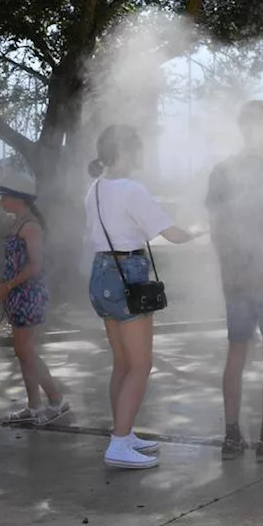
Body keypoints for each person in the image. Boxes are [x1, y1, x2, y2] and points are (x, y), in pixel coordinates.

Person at [87, 125, 201, 469]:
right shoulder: (132, 190)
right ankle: (119, 445)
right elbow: (173, 234)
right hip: (128, 275)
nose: (142, 156)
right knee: (141, 365)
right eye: (138, 149)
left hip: (102, 273)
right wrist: (200, 229)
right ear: (125, 152)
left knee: (122, 363)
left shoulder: (93, 188)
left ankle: (122, 431)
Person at [206, 100, 263, 462]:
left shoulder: (221, 172)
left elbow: (216, 230)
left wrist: (226, 270)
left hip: (236, 278)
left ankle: (231, 438)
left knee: (236, 353)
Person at [0, 172, 70, 426]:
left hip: (28, 293)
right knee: (23, 352)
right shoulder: (18, 223)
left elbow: (36, 266)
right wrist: (4, 286)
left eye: (5, 196)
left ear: (18, 199)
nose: (1, 201)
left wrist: (7, 285)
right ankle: (34, 405)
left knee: (26, 350)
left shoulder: (30, 227)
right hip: (18, 292)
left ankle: (56, 400)